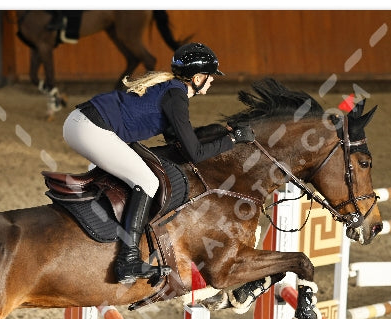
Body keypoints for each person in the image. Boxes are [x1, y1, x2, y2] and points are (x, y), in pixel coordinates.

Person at [63, 42, 255, 285]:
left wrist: (221, 133)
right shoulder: (176, 97)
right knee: (147, 181)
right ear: (196, 78)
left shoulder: (170, 89)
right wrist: (233, 140)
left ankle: (99, 238)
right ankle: (128, 260)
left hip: (84, 123)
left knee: (122, 175)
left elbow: (180, 142)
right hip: (91, 128)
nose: (212, 81)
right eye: (210, 77)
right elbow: (194, 152)